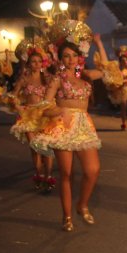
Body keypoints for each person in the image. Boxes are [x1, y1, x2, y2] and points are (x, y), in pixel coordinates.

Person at [31, 39, 104, 232]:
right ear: (60, 59)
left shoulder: (86, 76)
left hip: (83, 126)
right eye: (66, 55)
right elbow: (44, 105)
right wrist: (57, 111)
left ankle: (82, 205)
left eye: (74, 55)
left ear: (80, 57)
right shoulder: (58, 79)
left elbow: (108, 71)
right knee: (67, 174)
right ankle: (67, 216)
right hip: (63, 126)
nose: (71, 59)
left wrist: (99, 43)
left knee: (93, 170)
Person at [8, 49, 55, 192]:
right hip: (28, 116)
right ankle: (38, 173)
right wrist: (17, 105)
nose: (37, 64)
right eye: (34, 61)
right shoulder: (24, 79)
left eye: (39, 61)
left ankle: (48, 176)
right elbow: (13, 95)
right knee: (35, 147)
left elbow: (55, 91)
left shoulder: (47, 78)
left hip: (45, 114)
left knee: (46, 147)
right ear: (29, 64)